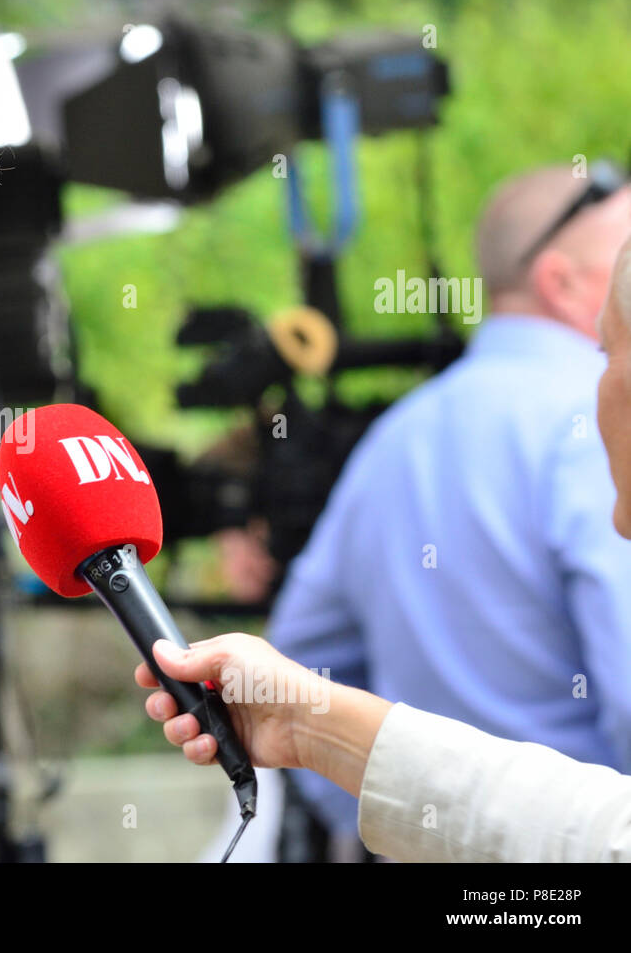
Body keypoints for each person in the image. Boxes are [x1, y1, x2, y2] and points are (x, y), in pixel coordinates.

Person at [135, 234, 631, 863]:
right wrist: (314, 729)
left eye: (606, 353)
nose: (592, 382)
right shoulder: (565, 426)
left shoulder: (394, 436)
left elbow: (305, 642)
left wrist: (388, 829)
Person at [266, 163, 631, 850]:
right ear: (560, 281)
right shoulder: (595, 417)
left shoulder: (394, 437)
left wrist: (395, 828)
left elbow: (300, 660)